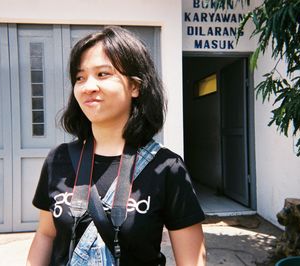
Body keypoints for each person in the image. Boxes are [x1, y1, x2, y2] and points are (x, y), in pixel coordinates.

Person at [27, 26, 206, 266]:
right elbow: (46, 234)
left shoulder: (166, 167)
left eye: (102, 74)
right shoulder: (58, 159)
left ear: (135, 86)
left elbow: (192, 261)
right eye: (80, 77)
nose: (87, 86)